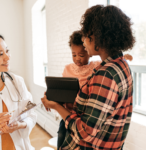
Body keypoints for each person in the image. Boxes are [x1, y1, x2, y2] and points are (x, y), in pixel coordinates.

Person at [41, 5, 135, 150]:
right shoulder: (122, 65)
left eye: (85, 36)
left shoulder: (106, 75)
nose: (84, 41)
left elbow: (84, 132)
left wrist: (55, 106)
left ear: (96, 36)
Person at [0, 35, 37, 150]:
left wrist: (20, 125)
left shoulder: (17, 82)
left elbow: (31, 113)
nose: (7, 57)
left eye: (7, 51)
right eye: (0, 54)